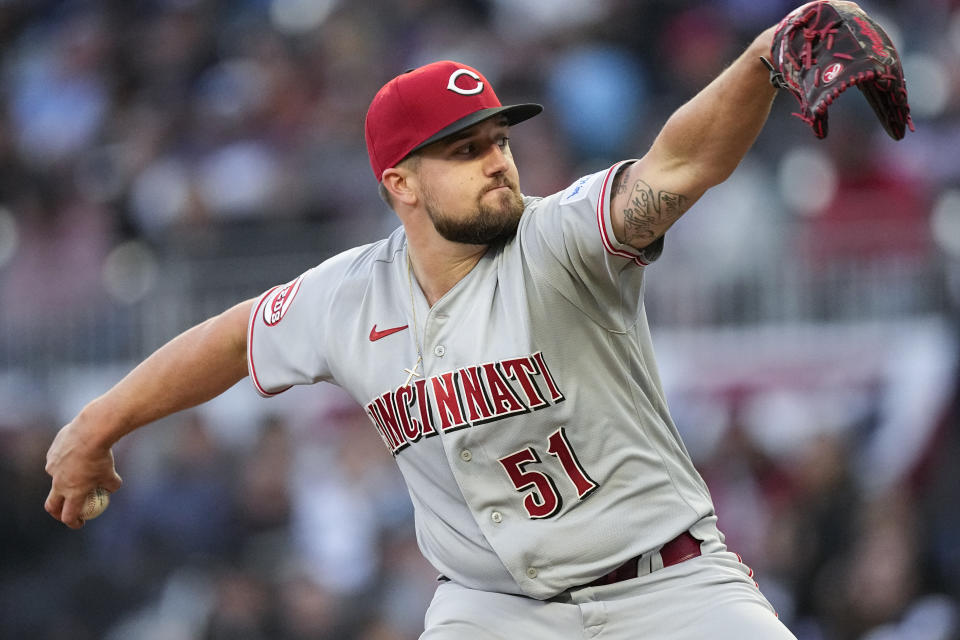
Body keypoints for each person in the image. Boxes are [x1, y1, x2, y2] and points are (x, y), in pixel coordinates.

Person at [44, 8, 819, 638]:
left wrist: (763, 57)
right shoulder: (348, 296)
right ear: (401, 183)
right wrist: (98, 424)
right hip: (493, 610)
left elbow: (680, 164)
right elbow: (232, 338)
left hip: (667, 586)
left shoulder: (560, 238)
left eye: (499, 139)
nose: (497, 161)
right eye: (464, 148)